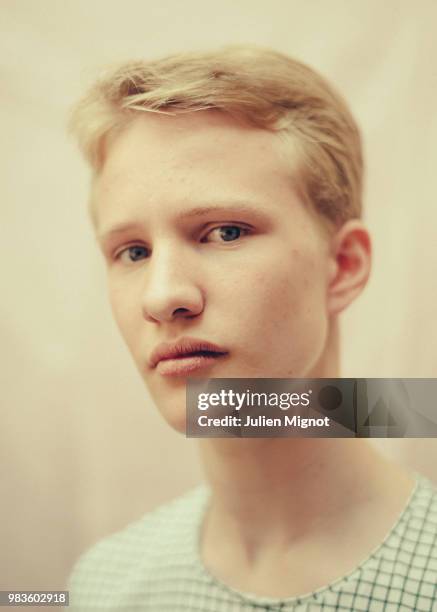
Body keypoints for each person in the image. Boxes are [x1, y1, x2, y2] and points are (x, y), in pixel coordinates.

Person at [67, 46, 437, 610]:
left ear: (343, 266)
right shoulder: (103, 586)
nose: (163, 295)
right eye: (133, 250)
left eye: (225, 233)